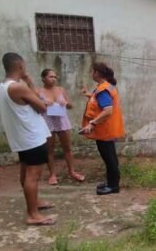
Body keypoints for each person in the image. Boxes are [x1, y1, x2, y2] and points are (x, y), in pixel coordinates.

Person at [0, 53, 56, 226]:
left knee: (26, 172)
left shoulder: (2, 86)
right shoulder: (17, 87)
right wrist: (29, 81)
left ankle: (34, 204)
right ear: (20, 66)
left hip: (22, 137)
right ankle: (33, 214)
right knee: (33, 175)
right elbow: (42, 107)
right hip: (31, 138)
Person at [80, 62, 125, 195]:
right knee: (111, 158)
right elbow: (99, 101)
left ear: (97, 73)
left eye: (92, 71)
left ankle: (113, 186)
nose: (91, 74)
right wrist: (88, 94)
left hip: (104, 130)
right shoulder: (104, 87)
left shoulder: (103, 90)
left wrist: (92, 123)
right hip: (108, 129)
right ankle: (112, 182)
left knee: (109, 159)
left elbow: (107, 110)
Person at [36, 68, 85, 185]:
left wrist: (66, 103)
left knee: (67, 148)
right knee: (49, 150)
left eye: (55, 77)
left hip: (62, 121)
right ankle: (52, 174)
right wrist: (43, 103)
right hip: (48, 122)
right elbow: (34, 108)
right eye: (50, 77)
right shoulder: (38, 91)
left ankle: (72, 171)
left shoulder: (61, 90)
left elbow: (71, 106)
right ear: (43, 78)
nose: (53, 79)